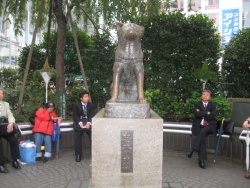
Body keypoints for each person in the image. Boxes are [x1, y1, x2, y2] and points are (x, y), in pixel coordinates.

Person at [186, 89, 217, 169]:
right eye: (204, 94)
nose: (205, 96)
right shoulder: (197, 104)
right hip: (199, 126)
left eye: (207, 95)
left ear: (210, 97)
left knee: (203, 131)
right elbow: (196, 114)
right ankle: (201, 161)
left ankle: (192, 149)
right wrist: (207, 113)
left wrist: (202, 113)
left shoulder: (213, 105)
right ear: (201, 96)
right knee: (202, 136)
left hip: (209, 126)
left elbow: (213, 115)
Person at [0, 88, 21, 173]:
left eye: (1, 94)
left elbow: (10, 114)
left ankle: (15, 160)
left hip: (4, 126)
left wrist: (11, 123)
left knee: (14, 140)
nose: (0, 95)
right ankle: (1, 164)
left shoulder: (6, 104)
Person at [73, 91, 93, 162]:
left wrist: (89, 123)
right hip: (80, 124)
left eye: (87, 96)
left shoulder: (90, 105)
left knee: (92, 138)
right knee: (78, 139)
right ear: (81, 98)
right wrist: (80, 123)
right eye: (85, 97)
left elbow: (91, 114)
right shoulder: (76, 105)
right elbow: (75, 115)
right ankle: (78, 155)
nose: (87, 98)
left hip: (88, 123)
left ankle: (94, 154)